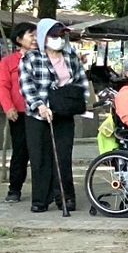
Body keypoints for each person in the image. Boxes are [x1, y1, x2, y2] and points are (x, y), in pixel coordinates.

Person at [19, 19, 89, 214]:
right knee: (40, 158)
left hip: (64, 113)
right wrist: (40, 106)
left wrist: (78, 103)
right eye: (54, 35)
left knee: (63, 157)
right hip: (38, 116)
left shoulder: (71, 57)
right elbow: (26, 85)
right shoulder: (31, 58)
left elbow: (81, 82)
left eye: (61, 35)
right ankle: (40, 199)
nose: (58, 38)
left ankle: (65, 198)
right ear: (43, 37)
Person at [0, 23, 37, 203]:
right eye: (31, 35)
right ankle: (14, 189)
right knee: (20, 152)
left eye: (37, 35)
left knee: (40, 152)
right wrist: (8, 107)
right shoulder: (8, 62)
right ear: (19, 39)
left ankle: (43, 190)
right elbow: (3, 86)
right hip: (19, 114)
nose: (35, 39)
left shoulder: (44, 59)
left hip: (40, 113)